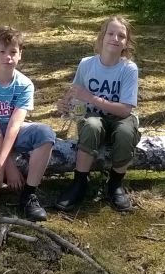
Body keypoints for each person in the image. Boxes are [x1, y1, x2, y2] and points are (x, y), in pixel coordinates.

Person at [0, 26, 56, 221]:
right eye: (2, 52)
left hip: (13, 132)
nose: (8, 57)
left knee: (45, 134)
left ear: (20, 55)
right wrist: (6, 166)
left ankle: (28, 194)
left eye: (13, 52)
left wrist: (1, 164)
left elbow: (14, 126)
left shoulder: (25, 85)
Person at [55, 16, 140, 212]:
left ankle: (115, 184)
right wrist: (64, 104)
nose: (115, 39)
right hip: (93, 116)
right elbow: (75, 92)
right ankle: (79, 183)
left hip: (120, 118)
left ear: (126, 43)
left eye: (121, 36)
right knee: (91, 125)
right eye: (111, 33)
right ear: (102, 37)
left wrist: (92, 98)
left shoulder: (128, 69)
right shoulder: (86, 64)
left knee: (126, 133)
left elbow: (125, 109)